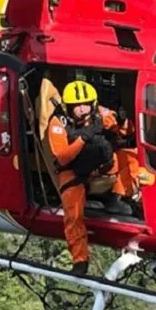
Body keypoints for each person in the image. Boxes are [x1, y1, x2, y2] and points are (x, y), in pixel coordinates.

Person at [47, 80, 137, 275]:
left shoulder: (98, 114)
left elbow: (123, 130)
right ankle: (79, 260)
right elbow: (62, 158)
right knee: (73, 214)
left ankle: (119, 197)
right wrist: (83, 138)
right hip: (72, 171)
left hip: (100, 167)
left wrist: (122, 121)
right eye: (76, 106)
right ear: (67, 106)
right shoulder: (57, 124)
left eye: (86, 104)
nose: (82, 109)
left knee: (130, 156)